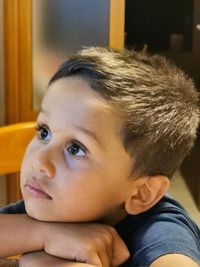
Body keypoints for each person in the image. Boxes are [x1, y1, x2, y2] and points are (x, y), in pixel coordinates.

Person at [0, 47, 199, 267]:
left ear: (142, 194)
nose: (39, 161)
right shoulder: (53, 204)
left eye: (76, 148)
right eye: (44, 132)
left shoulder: (163, 229)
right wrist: (42, 234)